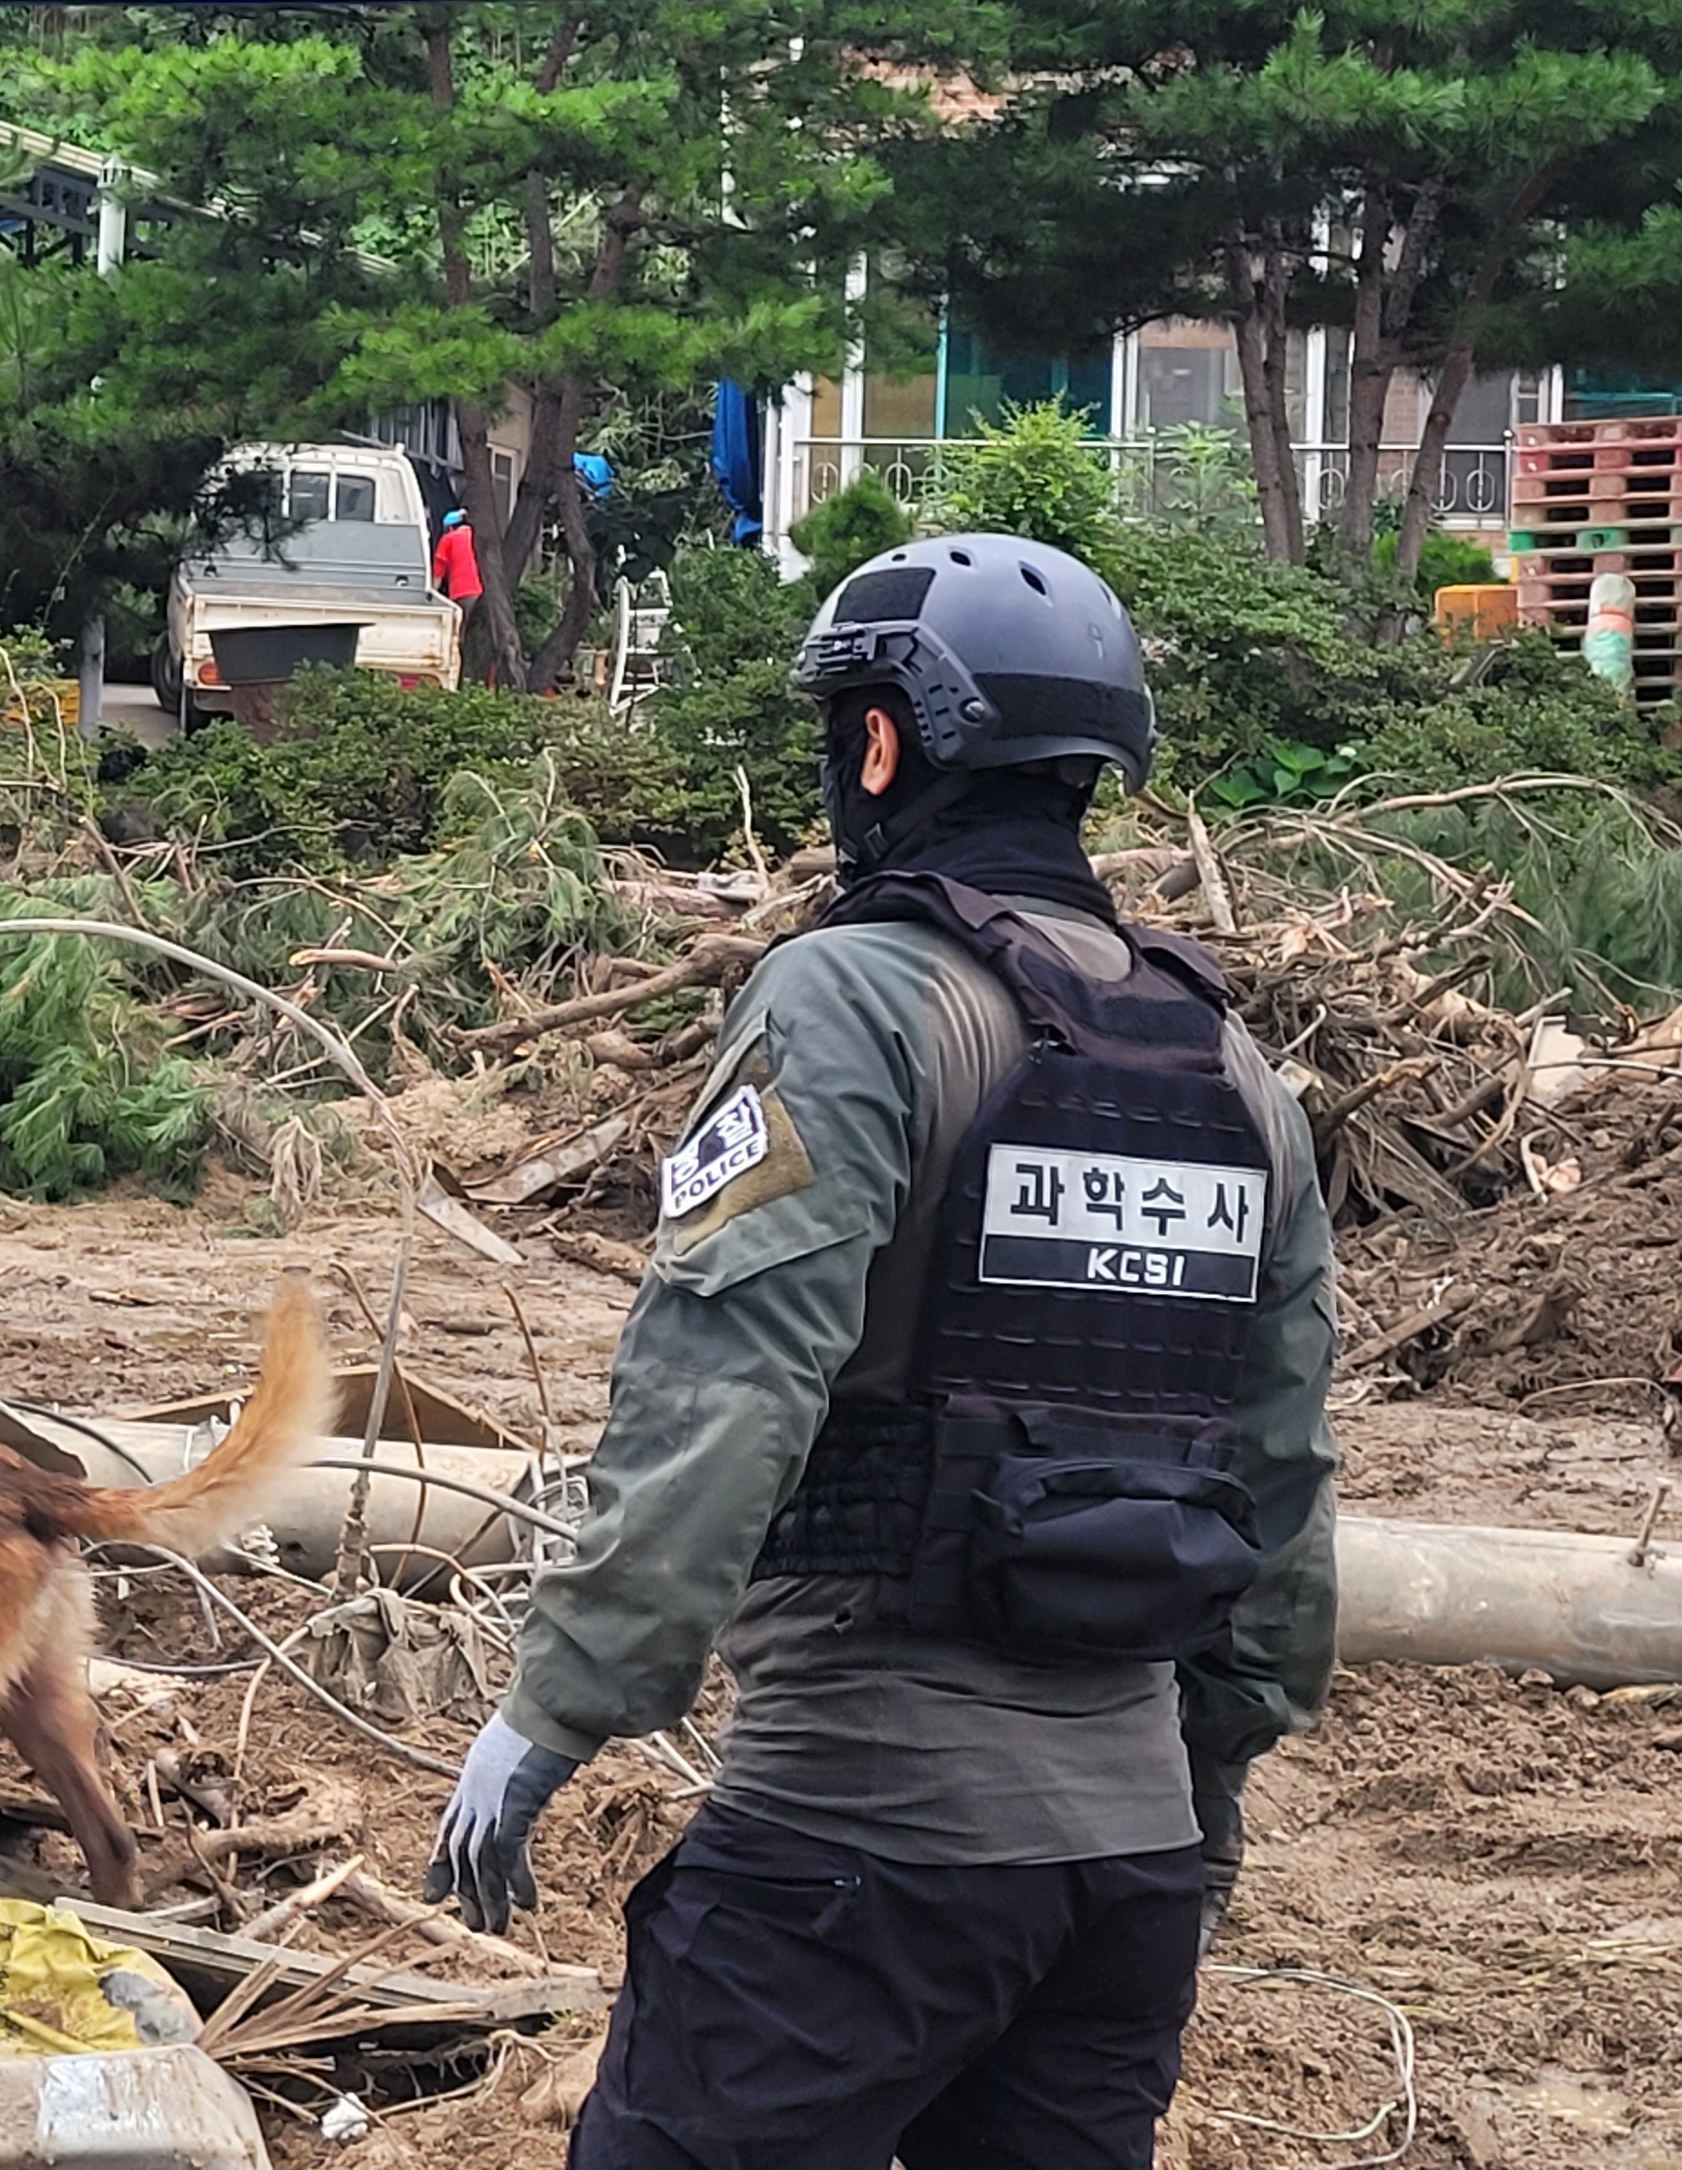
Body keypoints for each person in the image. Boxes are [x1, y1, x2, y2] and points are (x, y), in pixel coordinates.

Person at [425, 533, 1338, 2170]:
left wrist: (556, 1710)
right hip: (1123, 1887)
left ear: (883, 743)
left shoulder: (850, 1004)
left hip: (856, 1843)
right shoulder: (1232, 1071)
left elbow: (727, 1382)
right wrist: (1198, 1806)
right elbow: (1277, 1486)